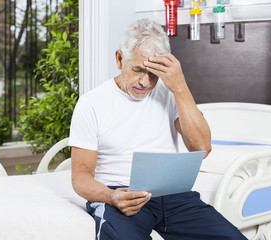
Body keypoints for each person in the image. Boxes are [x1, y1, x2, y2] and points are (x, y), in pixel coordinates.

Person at [68, 18, 247, 240]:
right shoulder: (91, 103)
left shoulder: (170, 93)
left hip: (173, 194)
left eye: (153, 73)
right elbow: (80, 177)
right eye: (137, 70)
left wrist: (180, 86)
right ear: (119, 58)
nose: (145, 82)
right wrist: (111, 196)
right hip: (123, 194)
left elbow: (202, 147)